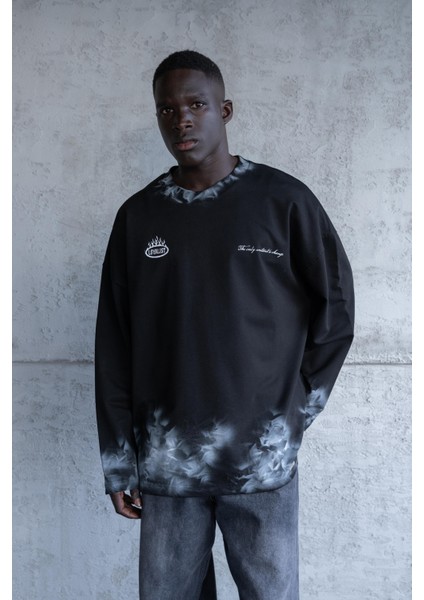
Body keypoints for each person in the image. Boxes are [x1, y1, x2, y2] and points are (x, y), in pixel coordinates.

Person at [95, 50, 355, 600]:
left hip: (261, 462)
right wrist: (119, 461)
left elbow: (335, 312)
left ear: (225, 109)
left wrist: (294, 413)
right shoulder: (138, 217)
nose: (182, 120)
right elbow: (115, 345)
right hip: (167, 464)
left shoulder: (284, 201)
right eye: (167, 110)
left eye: (196, 105)